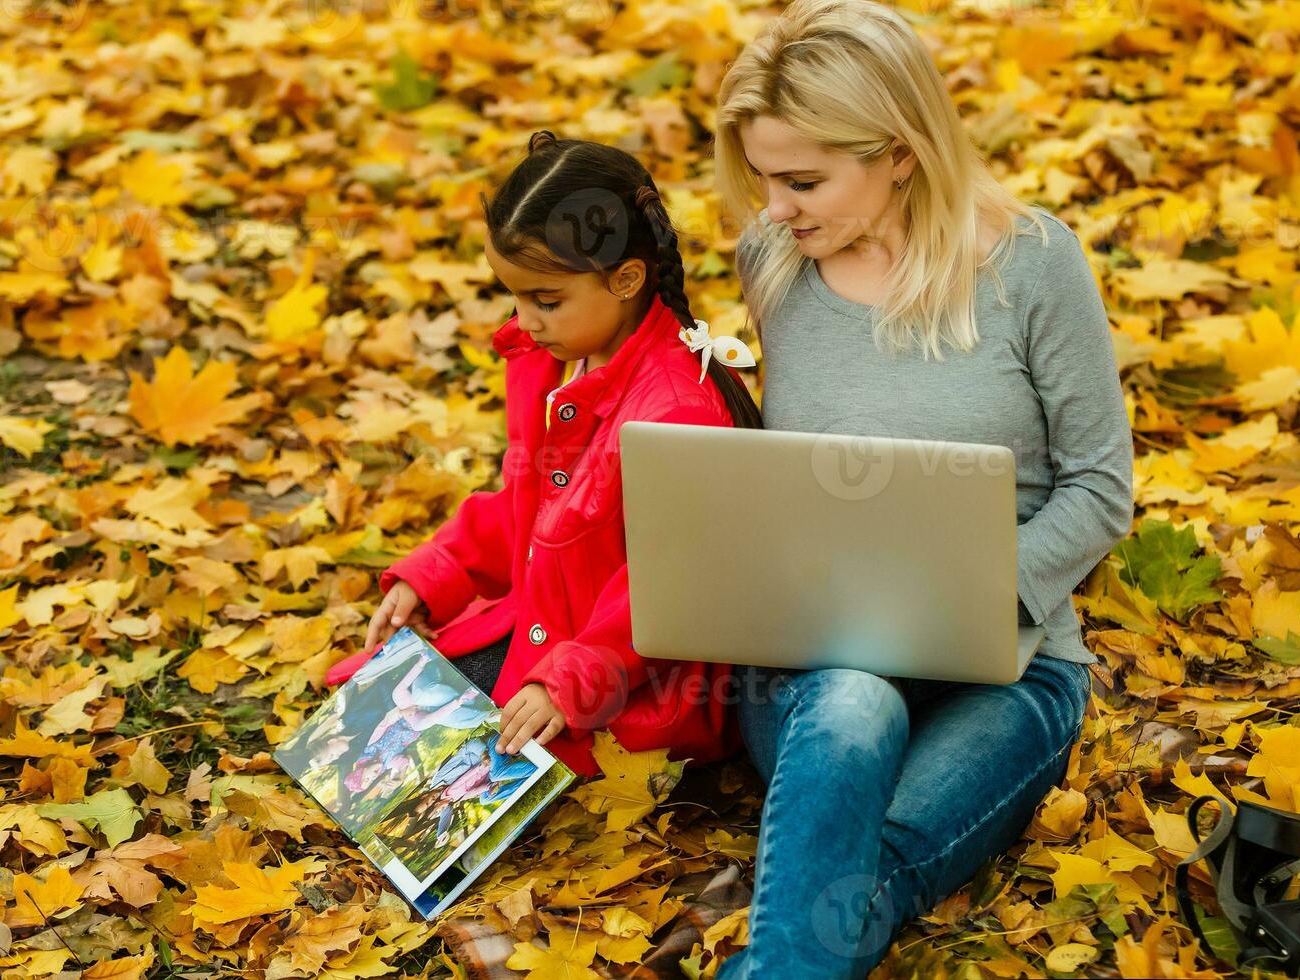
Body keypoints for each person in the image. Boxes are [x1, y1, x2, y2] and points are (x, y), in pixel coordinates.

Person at [708, 1, 1135, 976]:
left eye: (803, 180)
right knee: (854, 707)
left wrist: (957, 596)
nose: (774, 208)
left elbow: (1102, 490)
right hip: (819, 668)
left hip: (1010, 666)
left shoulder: (1033, 266)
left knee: (858, 871)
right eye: (763, 179)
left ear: (900, 152)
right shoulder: (775, 264)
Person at [325, 130, 765, 779]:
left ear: (626, 278)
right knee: (364, 723)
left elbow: (671, 589)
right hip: (541, 626)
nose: (525, 321)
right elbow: (527, 503)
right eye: (516, 296)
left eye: (546, 300)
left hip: (628, 681)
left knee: (441, 769)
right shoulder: (557, 358)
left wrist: (570, 682)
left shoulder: (676, 411)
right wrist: (440, 570)